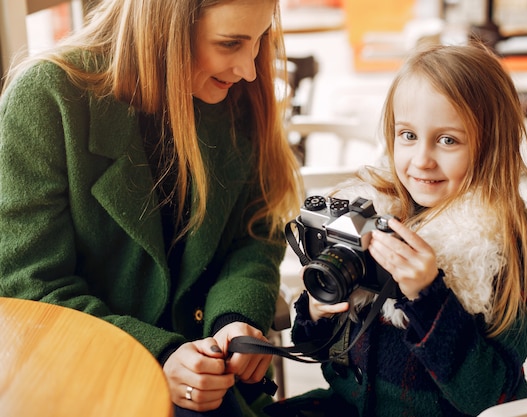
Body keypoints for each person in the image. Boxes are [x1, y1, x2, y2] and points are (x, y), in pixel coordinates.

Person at [0, 0, 302, 416]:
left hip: (215, 392)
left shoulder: (235, 92)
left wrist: (233, 317)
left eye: (259, 40)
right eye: (230, 43)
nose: (249, 69)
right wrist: (157, 354)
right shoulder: (48, 98)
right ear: (164, 24)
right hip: (89, 388)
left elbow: (256, 229)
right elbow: (28, 287)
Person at [274, 42, 527, 417]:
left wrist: (428, 296)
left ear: (492, 146)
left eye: (448, 140)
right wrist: (318, 310)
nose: (422, 160)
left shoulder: (517, 241)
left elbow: (491, 396)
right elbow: (317, 353)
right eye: (408, 135)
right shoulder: (377, 211)